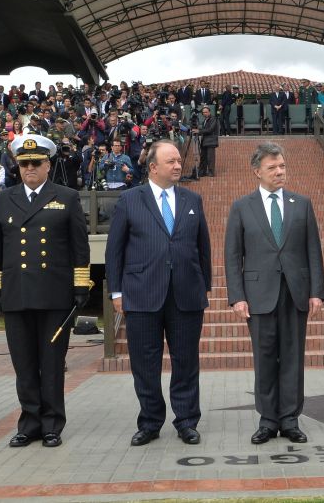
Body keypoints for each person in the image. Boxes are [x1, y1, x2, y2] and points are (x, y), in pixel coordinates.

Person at [0, 135, 91, 448]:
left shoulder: (67, 197)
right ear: (18, 166)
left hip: (54, 295)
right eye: (24, 163)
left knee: (52, 363)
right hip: (17, 293)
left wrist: (80, 286)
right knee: (24, 364)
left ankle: (51, 424)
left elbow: (79, 246)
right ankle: (29, 423)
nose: (30, 167)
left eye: (36, 162)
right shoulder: (4, 199)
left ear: (48, 164)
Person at [106, 140, 211, 447]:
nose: (178, 166)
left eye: (179, 161)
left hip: (186, 296)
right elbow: (115, 252)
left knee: (186, 362)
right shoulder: (129, 200)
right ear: (153, 167)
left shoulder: (193, 199)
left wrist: (204, 285)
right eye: (171, 161)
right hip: (141, 294)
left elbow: (202, 247)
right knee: (145, 363)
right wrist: (116, 292)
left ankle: (187, 421)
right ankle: (150, 422)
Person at [225, 143, 324, 445]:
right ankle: (268, 420)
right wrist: (237, 296)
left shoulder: (301, 204)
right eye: (272, 167)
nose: (280, 171)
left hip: (295, 293)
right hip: (258, 295)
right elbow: (232, 256)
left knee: (293, 357)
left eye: (282, 166)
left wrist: (317, 292)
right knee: (265, 357)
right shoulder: (242, 206)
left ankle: (290, 419)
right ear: (257, 171)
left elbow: (313, 252)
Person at [195, 105, 219, 177]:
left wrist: (199, 131)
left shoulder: (213, 119)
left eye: (206, 112)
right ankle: (203, 171)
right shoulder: (205, 120)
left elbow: (210, 129)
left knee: (210, 158)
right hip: (205, 141)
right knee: (203, 157)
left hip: (211, 141)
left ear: (209, 112)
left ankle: (211, 172)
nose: (205, 113)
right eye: (203, 112)